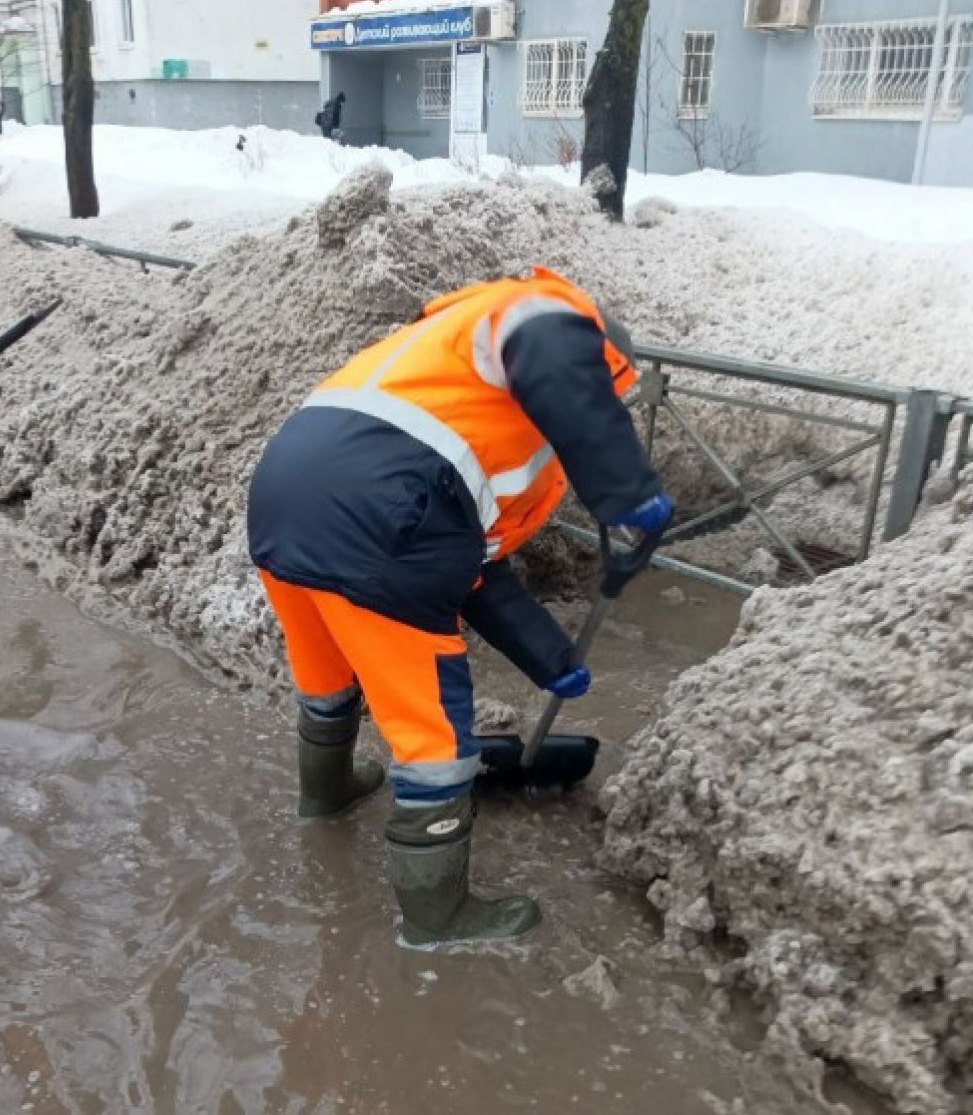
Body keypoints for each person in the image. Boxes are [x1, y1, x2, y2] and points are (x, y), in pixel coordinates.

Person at [248, 267, 673, 946]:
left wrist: (552, 661)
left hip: (285, 497)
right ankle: (437, 917)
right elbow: (553, 351)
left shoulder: (445, 376)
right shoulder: (544, 316)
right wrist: (626, 497)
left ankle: (324, 793)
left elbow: (471, 571)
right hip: (382, 518)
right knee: (435, 734)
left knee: (326, 671)